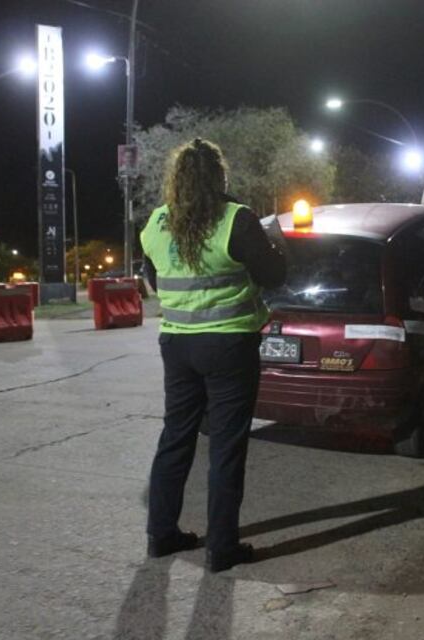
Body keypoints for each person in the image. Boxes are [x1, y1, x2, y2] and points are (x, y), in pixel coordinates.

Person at [139, 138, 286, 572]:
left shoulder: (156, 222)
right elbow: (273, 275)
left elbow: (154, 277)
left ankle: (161, 535)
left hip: (177, 344)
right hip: (228, 346)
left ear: (177, 179)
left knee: (175, 437)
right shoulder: (235, 219)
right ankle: (221, 548)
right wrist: (276, 247)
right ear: (219, 177)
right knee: (226, 446)